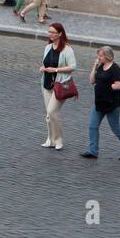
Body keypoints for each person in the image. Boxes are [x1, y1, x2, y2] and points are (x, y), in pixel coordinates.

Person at [82, 46, 120, 160]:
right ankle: (93, 151)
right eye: (98, 56)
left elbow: (118, 85)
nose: (98, 58)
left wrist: (104, 86)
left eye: (100, 56)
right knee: (93, 126)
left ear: (107, 56)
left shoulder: (115, 68)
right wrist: (95, 66)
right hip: (99, 102)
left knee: (116, 128)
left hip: (112, 104)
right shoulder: (101, 67)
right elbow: (91, 81)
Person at [38, 21, 78, 150]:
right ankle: (50, 139)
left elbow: (72, 67)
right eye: (49, 32)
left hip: (60, 84)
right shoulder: (48, 47)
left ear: (60, 34)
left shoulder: (67, 49)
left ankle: (59, 139)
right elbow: (46, 62)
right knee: (49, 115)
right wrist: (43, 68)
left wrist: (55, 70)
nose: (50, 34)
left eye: (53, 32)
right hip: (46, 84)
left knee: (52, 111)